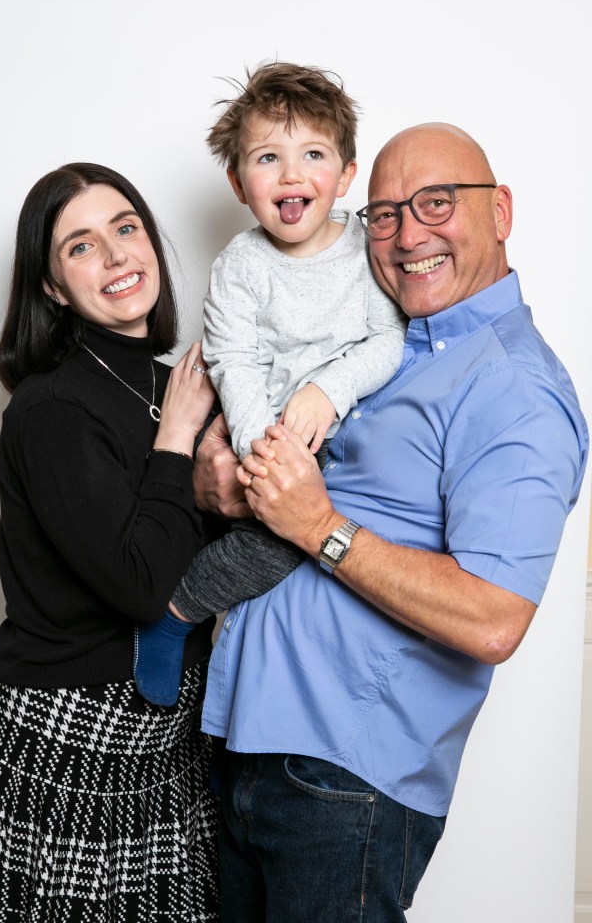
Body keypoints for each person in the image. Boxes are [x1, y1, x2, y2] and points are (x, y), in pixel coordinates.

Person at [195, 123, 589, 922]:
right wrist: (218, 483)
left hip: (345, 787)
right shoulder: (389, 337)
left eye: (436, 204)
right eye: (383, 214)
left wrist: (319, 527)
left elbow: (493, 617)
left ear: (501, 211)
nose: (409, 235)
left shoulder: (514, 388)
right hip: (242, 744)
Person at [0, 163, 220, 921]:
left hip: (163, 747)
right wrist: (176, 441)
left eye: (126, 228)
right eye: (80, 246)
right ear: (50, 287)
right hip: (67, 743)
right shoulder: (50, 411)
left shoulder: (180, 384)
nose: (115, 255)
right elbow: (141, 583)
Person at [134, 62, 405, 706]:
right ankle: (175, 613)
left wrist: (329, 391)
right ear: (238, 183)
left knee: (367, 531)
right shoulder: (241, 267)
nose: (291, 174)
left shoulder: (366, 251)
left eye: (313, 154)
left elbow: (388, 339)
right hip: (264, 432)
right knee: (280, 543)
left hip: (341, 429)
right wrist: (263, 452)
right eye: (267, 158)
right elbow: (234, 360)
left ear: (345, 175)